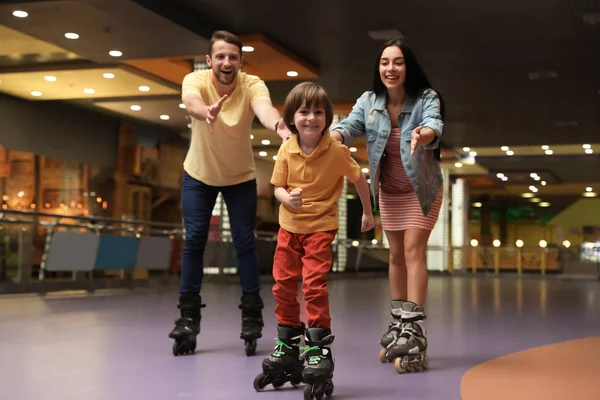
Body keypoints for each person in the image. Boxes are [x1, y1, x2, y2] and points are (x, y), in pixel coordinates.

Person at [168, 30, 292, 357]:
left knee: (244, 240)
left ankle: (251, 315)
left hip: (239, 177)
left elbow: (264, 109)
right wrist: (204, 111)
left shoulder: (252, 84)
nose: (227, 62)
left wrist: (280, 128)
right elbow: (192, 101)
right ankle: (187, 319)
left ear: (240, 61)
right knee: (194, 238)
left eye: (233, 57)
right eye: (220, 56)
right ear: (210, 60)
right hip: (199, 174)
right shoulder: (194, 80)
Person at [329, 38, 445, 373]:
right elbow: (348, 126)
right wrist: (333, 138)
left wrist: (422, 134)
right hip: (391, 192)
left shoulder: (425, 98)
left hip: (423, 189)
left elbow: (435, 124)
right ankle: (398, 324)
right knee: (395, 254)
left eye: (397, 62)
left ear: (408, 67)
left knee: (412, 249)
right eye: (384, 62)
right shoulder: (369, 101)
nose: (390, 69)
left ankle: (414, 325)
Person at [253, 82, 375, 396]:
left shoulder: (336, 151)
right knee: (281, 282)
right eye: (304, 111)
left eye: (318, 112)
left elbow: (359, 178)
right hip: (289, 226)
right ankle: (287, 344)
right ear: (292, 118)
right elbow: (277, 185)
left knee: (313, 282)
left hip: (321, 225)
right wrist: (285, 199)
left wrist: (367, 213)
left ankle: (318, 346)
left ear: (327, 117)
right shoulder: (286, 147)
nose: (311, 118)